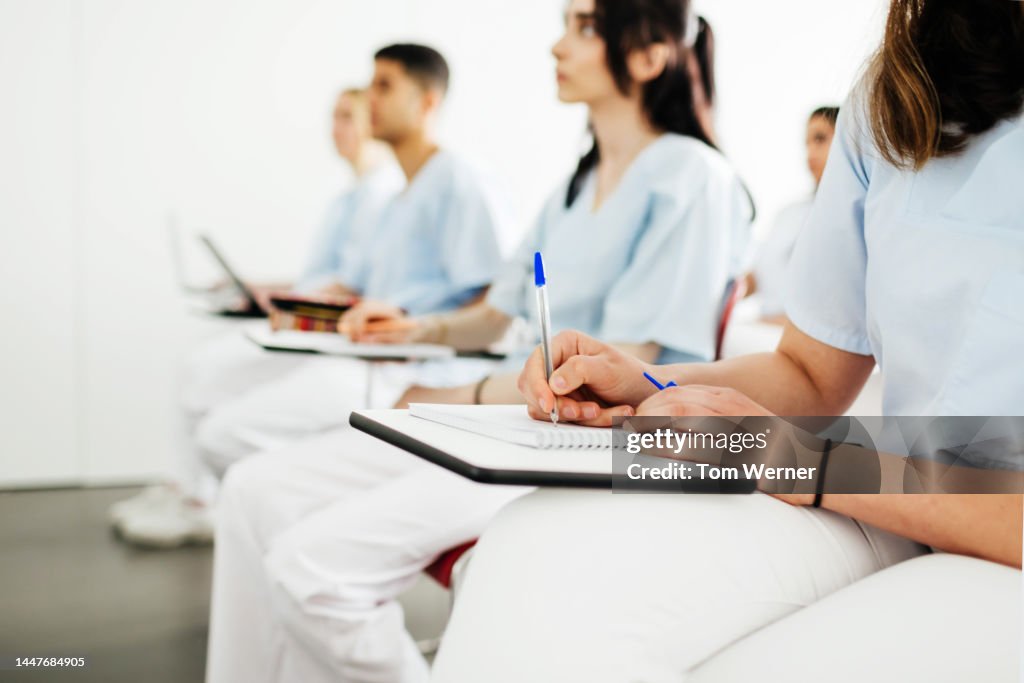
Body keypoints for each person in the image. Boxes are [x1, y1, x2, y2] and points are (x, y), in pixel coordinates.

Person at [430, 1, 1024, 681]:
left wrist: (799, 461)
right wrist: (649, 383)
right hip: (898, 493)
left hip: (962, 519)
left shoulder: (688, 176)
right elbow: (810, 373)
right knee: (535, 555)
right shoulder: (902, 85)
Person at [206, 2, 753, 681]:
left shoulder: (693, 179)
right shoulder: (575, 185)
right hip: (513, 419)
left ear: (648, 56)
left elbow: (621, 363)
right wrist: (416, 328)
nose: (557, 46)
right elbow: (496, 312)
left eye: (584, 28)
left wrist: (458, 393)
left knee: (311, 569)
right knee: (252, 489)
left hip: (595, 443)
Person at [116, 43, 511, 547]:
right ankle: (236, 508)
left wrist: (415, 330)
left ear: (427, 102)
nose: (370, 98)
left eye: (385, 86)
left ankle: (248, 512)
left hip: (408, 367)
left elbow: (494, 305)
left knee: (225, 436)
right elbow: (359, 288)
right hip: (361, 350)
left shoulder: (460, 181)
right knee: (206, 386)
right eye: (369, 84)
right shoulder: (400, 198)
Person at [108, 86, 403, 546]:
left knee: (205, 375)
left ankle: (200, 499)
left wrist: (291, 299)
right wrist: (264, 287)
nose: (335, 128)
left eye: (348, 116)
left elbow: (358, 285)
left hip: (334, 333)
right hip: (307, 317)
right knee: (196, 369)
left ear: (374, 120)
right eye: (333, 116)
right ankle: (188, 489)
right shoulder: (350, 197)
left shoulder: (384, 194)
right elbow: (326, 276)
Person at [742, 106, 838, 324]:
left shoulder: (857, 218)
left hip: (801, 335)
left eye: (820, 139)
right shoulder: (789, 213)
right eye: (807, 143)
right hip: (764, 329)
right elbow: (757, 276)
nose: (810, 152)